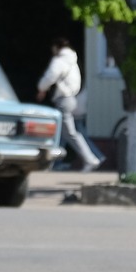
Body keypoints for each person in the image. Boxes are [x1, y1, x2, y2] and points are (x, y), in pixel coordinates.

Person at [36, 37, 104, 172]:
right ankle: (52, 163)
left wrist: (41, 88)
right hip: (72, 98)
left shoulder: (59, 61)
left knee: (70, 133)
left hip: (63, 99)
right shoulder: (73, 61)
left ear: (57, 47)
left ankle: (91, 159)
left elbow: (50, 77)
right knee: (61, 133)